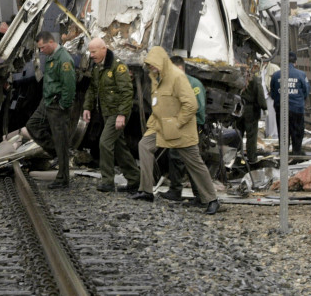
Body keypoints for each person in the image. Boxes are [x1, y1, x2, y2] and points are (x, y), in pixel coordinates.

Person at [131, 46, 220, 215]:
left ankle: (212, 200)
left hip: (181, 129)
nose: (150, 68)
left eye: (152, 64)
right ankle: (146, 191)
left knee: (194, 163)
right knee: (144, 145)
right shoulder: (156, 77)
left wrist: (177, 123)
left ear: (161, 61)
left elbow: (191, 105)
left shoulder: (177, 77)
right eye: (148, 65)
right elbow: (158, 104)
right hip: (160, 125)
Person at [82, 37, 140, 193]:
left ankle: (107, 181)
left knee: (104, 143)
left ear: (103, 49)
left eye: (94, 52)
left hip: (117, 112)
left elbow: (127, 92)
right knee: (120, 147)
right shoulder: (97, 67)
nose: (91, 55)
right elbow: (93, 89)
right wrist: (87, 107)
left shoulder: (117, 67)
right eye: (90, 52)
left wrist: (122, 114)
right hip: (106, 112)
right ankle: (135, 179)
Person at [24, 30, 76, 189]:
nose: (41, 51)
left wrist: (63, 105)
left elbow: (69, 85)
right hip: (47, 102)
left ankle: (62, 179)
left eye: (42, 47)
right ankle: (58, 153)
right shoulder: (52, 57)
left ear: (51, 43)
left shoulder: (64, 59)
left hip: (56, 104)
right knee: (32, 125)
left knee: (61, 139)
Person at [159, 56, 207, 205]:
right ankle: (175, 190)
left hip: (191, 127)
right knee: (174, 157)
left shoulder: (193, 84)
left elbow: (197, 108)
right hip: (176, 125)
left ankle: (200, 196)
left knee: (191, 161)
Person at [269, 51, 310, 155]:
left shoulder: (276, 75)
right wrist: (299, 99)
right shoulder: (301, 74)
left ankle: (284, 153)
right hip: (297, 109)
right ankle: (297, 152)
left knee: (283, 132)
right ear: (295, 62)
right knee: (297, 131)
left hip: (281, 109)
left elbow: (272, 93)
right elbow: (306, 91)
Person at [237, 65, 267, 163]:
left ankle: (236, 156)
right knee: (251, 135)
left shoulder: (237, 77)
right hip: (251, 110)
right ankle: (252, 158)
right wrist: (264, 107)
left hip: (238, 108)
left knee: (238, 133)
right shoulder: (255, 79)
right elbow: (260, 94)